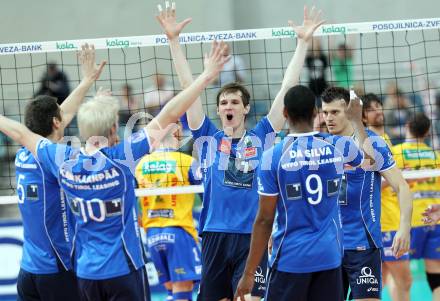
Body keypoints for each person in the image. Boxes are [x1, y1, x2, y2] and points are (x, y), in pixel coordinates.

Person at [0, 40, 229, 301]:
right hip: (123, 268)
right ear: (112, 131)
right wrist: (207, 76)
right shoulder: (122, 158)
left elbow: (23, 132)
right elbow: (168, 113)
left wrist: (88, 90)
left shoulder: (63, 160)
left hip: (86, 272)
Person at [155, 3, 324, 300]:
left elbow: (287, 88)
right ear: (218, 110)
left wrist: (303, 44)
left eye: (234, 102)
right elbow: (187, 87)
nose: (228, 107)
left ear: (245, 108)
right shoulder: (206, 136)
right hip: (214, 235)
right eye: (223, 103)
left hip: (250, 237)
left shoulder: (261, 136)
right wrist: (174, 41)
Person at [234, 85, 365, 301]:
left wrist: (248, 274)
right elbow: (366, 158)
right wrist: (356, 120)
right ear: (316, 112)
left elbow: (265, 220)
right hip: (329, 257)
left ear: (285, 113)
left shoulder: (271, 157)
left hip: (290, 258)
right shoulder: (339, 146)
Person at [15, 44, 105, 301]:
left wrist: (87, 80)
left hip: (28, 270)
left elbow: (59, 116)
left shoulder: (24, 151)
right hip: (56, 268)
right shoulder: (58, 157)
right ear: (56, 122)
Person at [321, 86, 412, 300]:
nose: (329, 118)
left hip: (363, 243)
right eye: (325, 112)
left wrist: (404, 228)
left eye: (335, 112)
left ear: (349, 112)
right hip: (328, 245)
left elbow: (402, 186)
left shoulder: (373, 142)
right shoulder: (321, 146)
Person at [135, 121, 202, 301]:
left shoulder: (140, 165)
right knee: (183, 293)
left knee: (171, 292)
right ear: (178, 133)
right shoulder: (187, 162)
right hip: (179, 232)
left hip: (152, 236)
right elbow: (208, 197)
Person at [362, 92, 412, 301]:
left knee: (383, 280)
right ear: (363, 116)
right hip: (384, 222)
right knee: (404, 280)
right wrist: (398, 180)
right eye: (372, 108)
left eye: (379, 106)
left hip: (387, 217)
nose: (379, 110)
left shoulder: (385, 139)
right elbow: (368, 183)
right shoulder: (369, 141)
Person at [386, 113, 440, 300]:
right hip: (434, 219)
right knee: (436, 276)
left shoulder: (396, 152)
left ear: (407, 125)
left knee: (400, 278)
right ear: (427, 132)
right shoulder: (436, 155)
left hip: (405, 222)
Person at [305, 37, 328, 105]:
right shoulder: (309, 58)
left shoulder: (323, 57)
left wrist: (317, 41)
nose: (315, 47)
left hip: (322, 86)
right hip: (312, 86)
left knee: (323, 106)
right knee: (314, 106)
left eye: (317, 45)